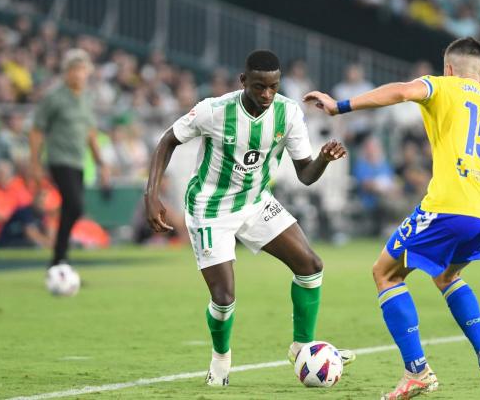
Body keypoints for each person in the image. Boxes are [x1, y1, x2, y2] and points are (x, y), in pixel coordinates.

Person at [304, 37, 480, 400]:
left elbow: (402, 91)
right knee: (447, 275)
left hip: (450, 207)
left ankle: (417, 372)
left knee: (384, 272)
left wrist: (340, 106)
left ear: (448, 68)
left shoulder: (442, 85)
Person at [146, 50, 354, 386]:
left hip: (256, 202)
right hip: (210, 209)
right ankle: (220, 359)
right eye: (259, 87)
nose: (267, 95)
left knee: (311, 266)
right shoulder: (213, 111)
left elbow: (305, 174)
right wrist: (151, 194)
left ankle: (301, 348)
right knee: (224, 298)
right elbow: (167, 141)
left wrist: (324, 160)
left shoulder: (287, 113)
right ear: (243, 81)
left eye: (273, 87)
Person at [29, 48, 109, 269]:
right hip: (58, 158)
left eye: (83, 69)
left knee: (71, 208)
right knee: (74, 205)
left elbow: (90, 132)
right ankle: (59, 255)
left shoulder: (86, 98)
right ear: (66, 72)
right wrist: (34, 164)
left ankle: (59, 258)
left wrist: (100, 162)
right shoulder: (54, 97)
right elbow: (37, 131)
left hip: (78, 161)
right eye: (74, 69)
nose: (79, 74)